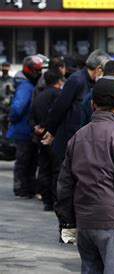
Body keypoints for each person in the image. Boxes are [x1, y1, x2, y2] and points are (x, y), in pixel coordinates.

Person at [55, 78, 114, 274]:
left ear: (92, 104)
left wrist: (67, 221)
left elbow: (65, 183)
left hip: (85, 221)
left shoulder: (77, 137)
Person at [43, 49, 111, 161]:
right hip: (70, 136)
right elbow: (60, 106)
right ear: (99, 69)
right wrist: (51, 130)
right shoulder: (77, 80)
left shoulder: (93, 82)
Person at [7, 55, 43, 198]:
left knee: (31, 161)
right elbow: (17, 108)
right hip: (24, 130)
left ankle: (28, 187)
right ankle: (21, 188)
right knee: (24, 161)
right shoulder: (26, 86)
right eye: (36, 70)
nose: (38, 73)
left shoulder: (29, 84)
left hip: (28, 129)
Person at [29, 70, 64, 210]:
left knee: (44, 168)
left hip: (40, 136)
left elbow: (30, 115)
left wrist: (36, 127)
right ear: (58, 81)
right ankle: (55, 199)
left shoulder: (39, 95)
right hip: (53, 136)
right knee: (56, 169)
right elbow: (57, 115)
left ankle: (46, 200)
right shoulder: (59, 95)